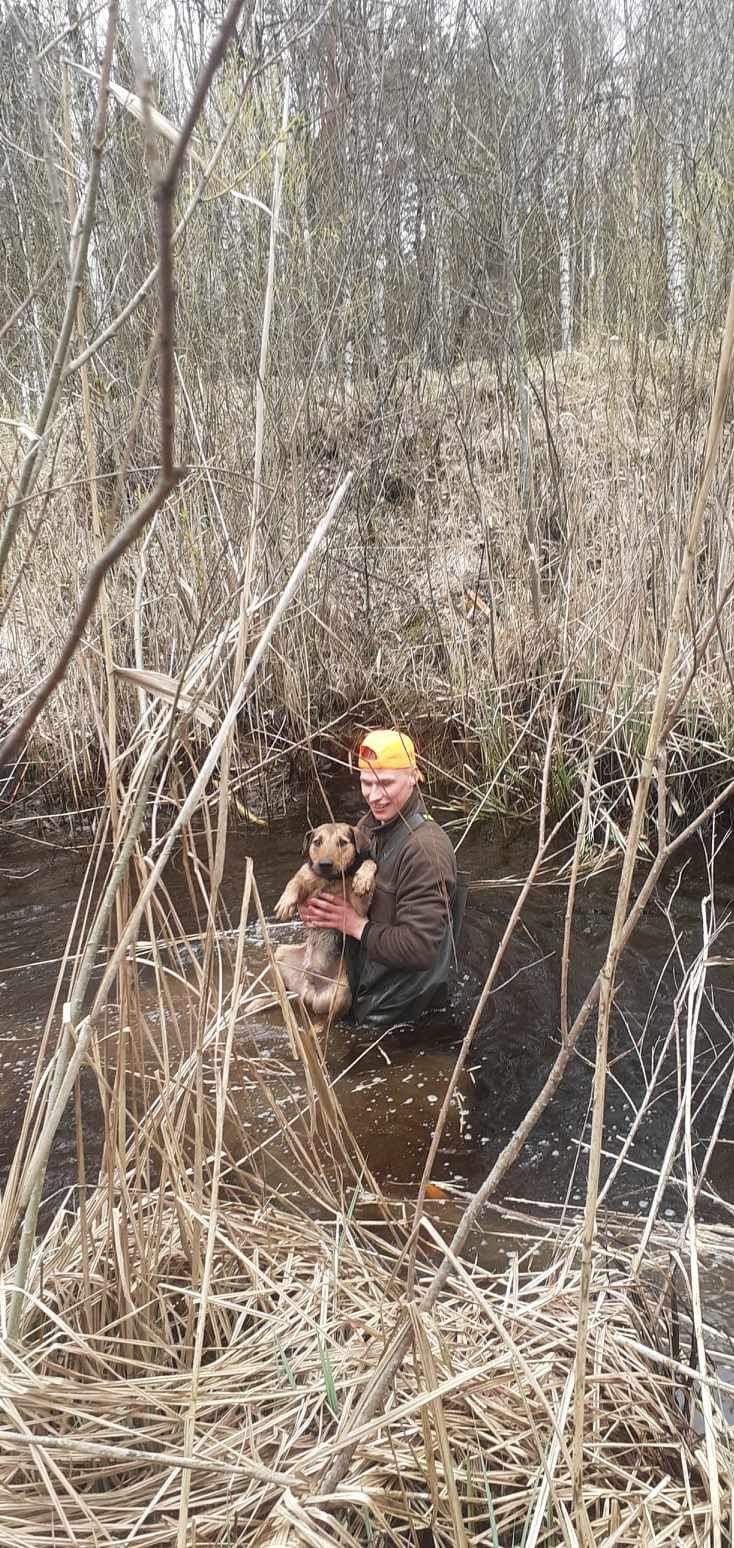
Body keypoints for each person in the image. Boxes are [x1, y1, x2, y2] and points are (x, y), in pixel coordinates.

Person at [299, 729, 460, 1027]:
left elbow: (421, 948)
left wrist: (354, 924)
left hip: (400, 1014)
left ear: (413, 776)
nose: (374, 796)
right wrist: (314, 906)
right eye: (366, 782)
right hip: (363, 991)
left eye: (386, 783)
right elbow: (334, 880)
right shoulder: (369, 827)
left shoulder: (427, 850)